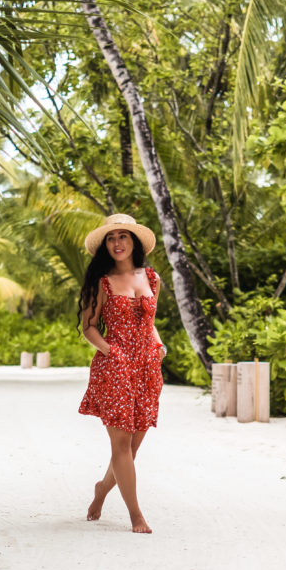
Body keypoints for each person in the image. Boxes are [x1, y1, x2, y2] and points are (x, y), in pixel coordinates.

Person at [78, 213, 166, 534]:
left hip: (146, 368)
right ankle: (136, 516)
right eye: (111, 238)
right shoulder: (101, 282)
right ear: (106, 245)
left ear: (134, 242)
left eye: (123, 237)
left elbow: (149, 322)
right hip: (115, 367)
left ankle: (102, 489)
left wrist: (159, 346)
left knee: (134, 446)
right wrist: (110, 351)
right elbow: (88, 327)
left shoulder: (152, 279)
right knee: (121, 446)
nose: (117, 243)